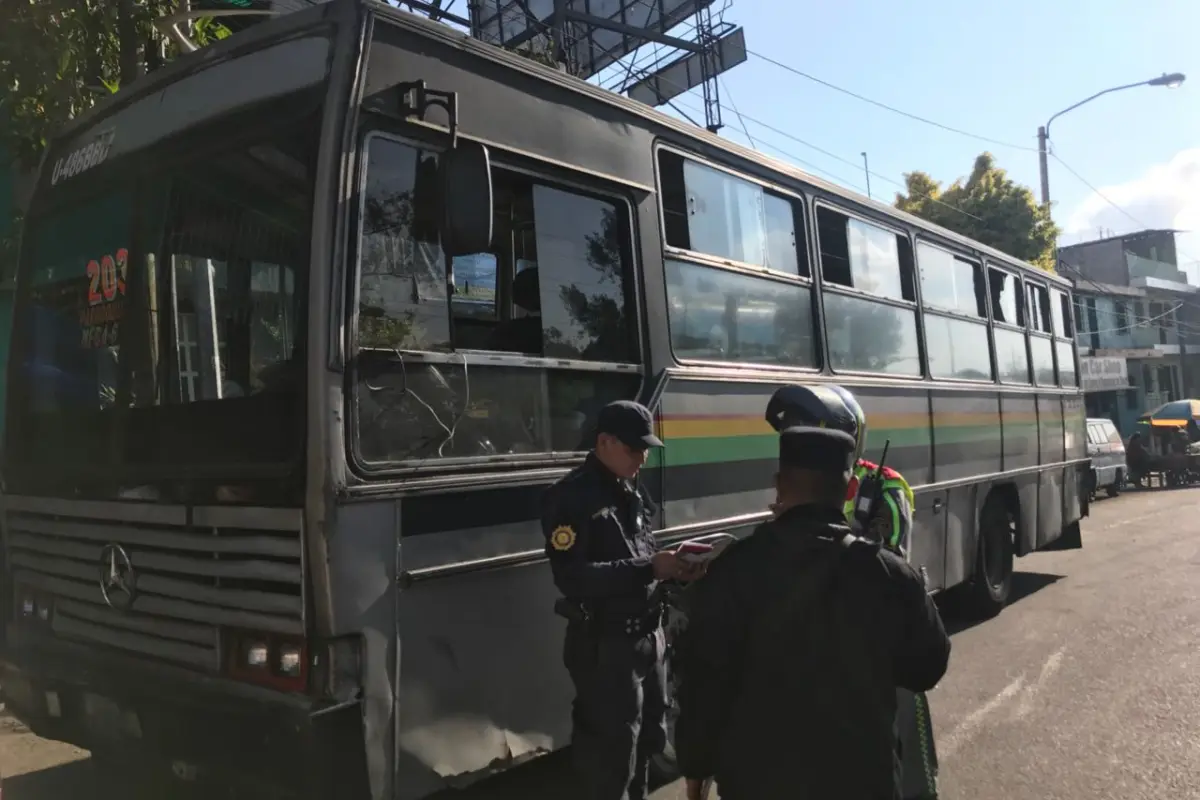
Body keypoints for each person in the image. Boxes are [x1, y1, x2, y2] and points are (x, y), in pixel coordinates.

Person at [674, 399, 950, 800]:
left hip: (758, 783)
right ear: (851, 488)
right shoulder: (888, 574)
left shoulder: (733, 571)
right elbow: (928, 666)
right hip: (862, 780)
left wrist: (696, 767)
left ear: (778, 484)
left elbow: (703, 682)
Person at [765, 383, 940, 800]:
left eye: (809, 429)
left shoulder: (884, 485)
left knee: (903, 760)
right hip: (818, 640)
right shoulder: (801, 482)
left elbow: (888, 549)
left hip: (876, 634)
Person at [541, 399, 702, 800]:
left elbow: (639, 549)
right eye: (634, 448)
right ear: (605, 442)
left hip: (647, 638)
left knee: (649, 742)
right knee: (610, 760)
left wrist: (675, 566)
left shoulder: (627, 487)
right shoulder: (571, 497)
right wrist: (650, 568)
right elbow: (573, 578)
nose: (643, 457)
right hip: (607, 647)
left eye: (646, 448)